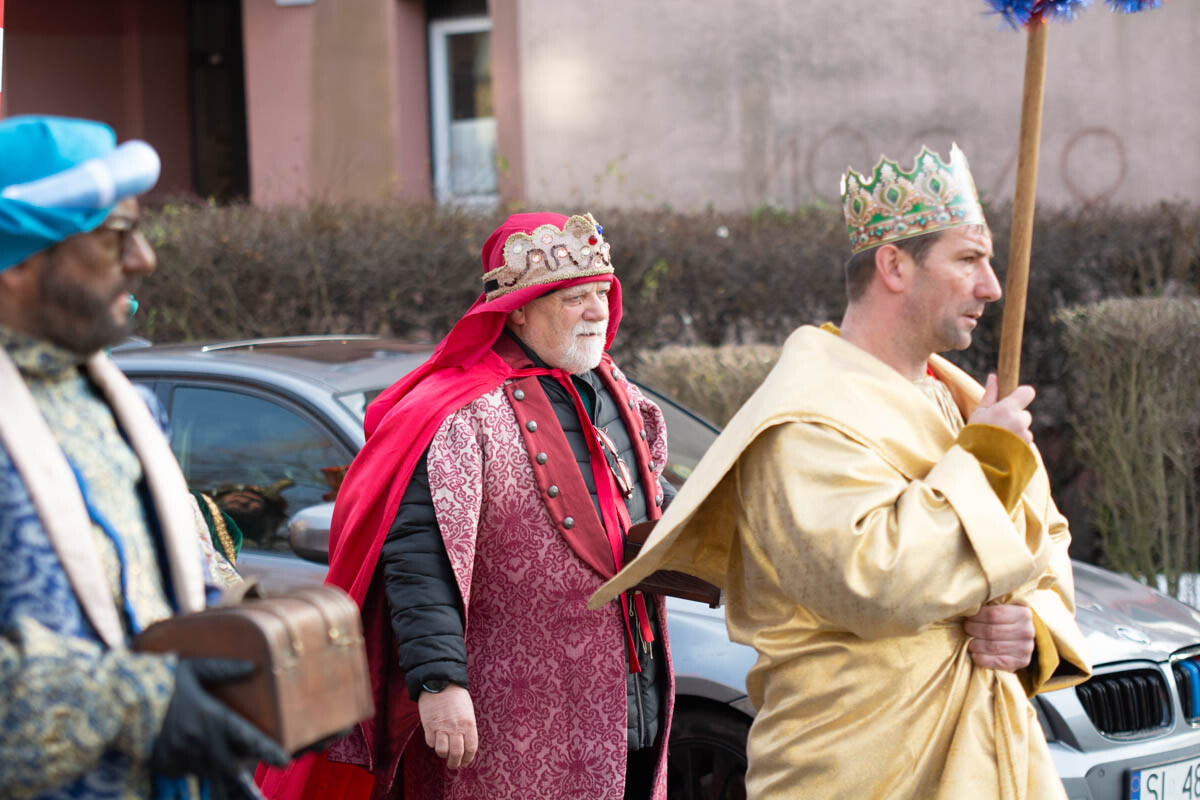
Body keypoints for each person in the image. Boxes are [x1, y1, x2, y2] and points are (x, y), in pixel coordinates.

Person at [591, 144, 1092, 799]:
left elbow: (1045, 543)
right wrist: (985, 461)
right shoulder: (803, 419)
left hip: (990, 758)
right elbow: (875, 584)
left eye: (990, 262)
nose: (990, 287)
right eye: (969, 259)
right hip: (859, 770)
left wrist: (1030, 625)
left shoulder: (966, 402)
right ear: (894, 265)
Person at [260, 212, 676, 800]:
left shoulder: (617, 391)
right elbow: (419, 556)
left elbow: (655, 505)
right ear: (520, 309)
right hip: (508, 720)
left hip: (634, 706)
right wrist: (439, 684)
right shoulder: (461, 413)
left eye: (602, 293)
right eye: (574, 297)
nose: (596, 311)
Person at [0, 115, 288, 799]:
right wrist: (137, 702)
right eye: (112, 237)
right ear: (16, 262)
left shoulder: (120, 404)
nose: (143, 260)